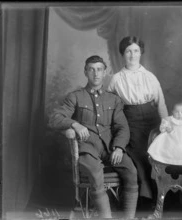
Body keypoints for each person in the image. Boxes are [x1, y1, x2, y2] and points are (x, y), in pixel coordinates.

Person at [48, 55, 138, 218]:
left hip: (111, 148)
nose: (96, 74)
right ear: (85, 72)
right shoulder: (75, 96)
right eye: (91, 69)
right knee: (96, 174)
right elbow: (55, 118)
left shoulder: (114, 99)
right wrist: (75, 124)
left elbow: (122, 127)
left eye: (99, 69)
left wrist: (118, 147)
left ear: (105, 72)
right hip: (88, 149)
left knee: (131, 170)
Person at [107, 36, 168, 206]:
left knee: (155, 157)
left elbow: (160, 103)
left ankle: (159, 203)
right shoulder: (116, 79)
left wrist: (165, 126)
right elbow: (109, 105)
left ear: (141, 53)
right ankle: (143, 203)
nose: (132, 55)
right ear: (122, 54)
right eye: (128, 51)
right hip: (130, 121)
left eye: (136, 51)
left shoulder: (150, 77)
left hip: (152, 121)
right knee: (139, 158)